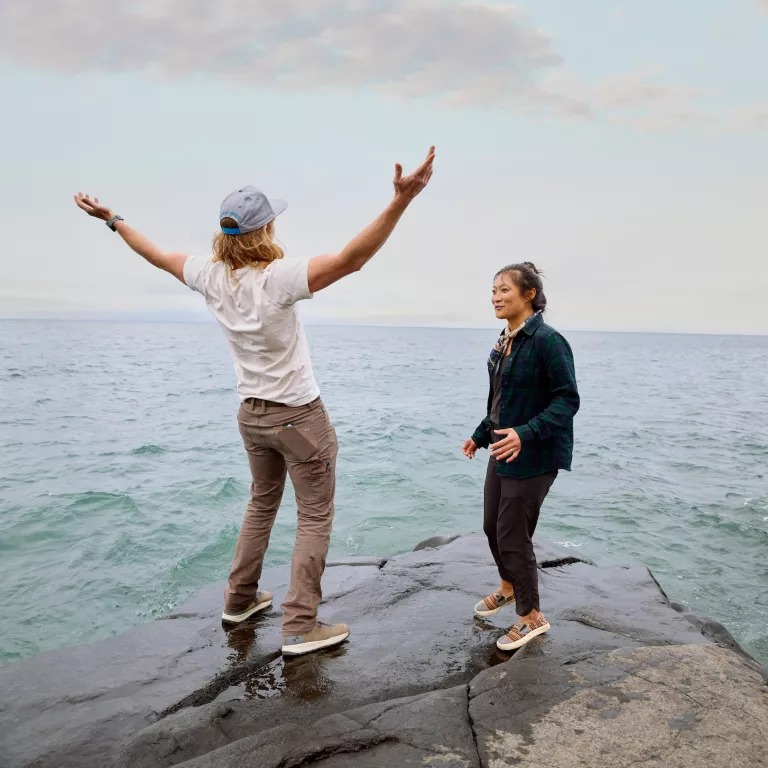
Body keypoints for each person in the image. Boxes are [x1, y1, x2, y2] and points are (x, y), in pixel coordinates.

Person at [73, 146, 435, 657]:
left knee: (262, 503)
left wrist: (113, 219)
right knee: (313, 516)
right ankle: (300, 626)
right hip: (299, 417)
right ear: (265, 231)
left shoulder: (208, 275)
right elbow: (352, 260)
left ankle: (239, 599)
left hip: (252, 416)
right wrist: (401, 201)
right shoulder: (278, 278)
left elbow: (152, 253)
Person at [462, 262, 579, 652]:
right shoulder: (505, 340)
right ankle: (509, 587)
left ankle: (532, 616)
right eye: (493, 290)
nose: (495, 296)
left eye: (504, 290)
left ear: (529, 295)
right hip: (503, 448)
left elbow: (567, 400)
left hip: (536, 454)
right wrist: (480, 435)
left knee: (513, 534)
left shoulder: (548, 341)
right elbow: (501, 400)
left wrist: (525, 435)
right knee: (491, 527)